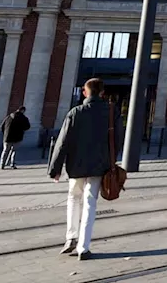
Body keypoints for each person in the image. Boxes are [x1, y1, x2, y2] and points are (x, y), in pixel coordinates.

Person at [48, 78, 114, 261]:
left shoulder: (75, 112)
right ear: (102, 92)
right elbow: (118, 139)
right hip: (99, 165)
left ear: (85, 93)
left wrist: (55, 168)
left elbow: (62, 142)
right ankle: (84, 247)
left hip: (76, 165)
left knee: (73, 199)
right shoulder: (110, 112)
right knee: (90, 202)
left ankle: (70, 238)